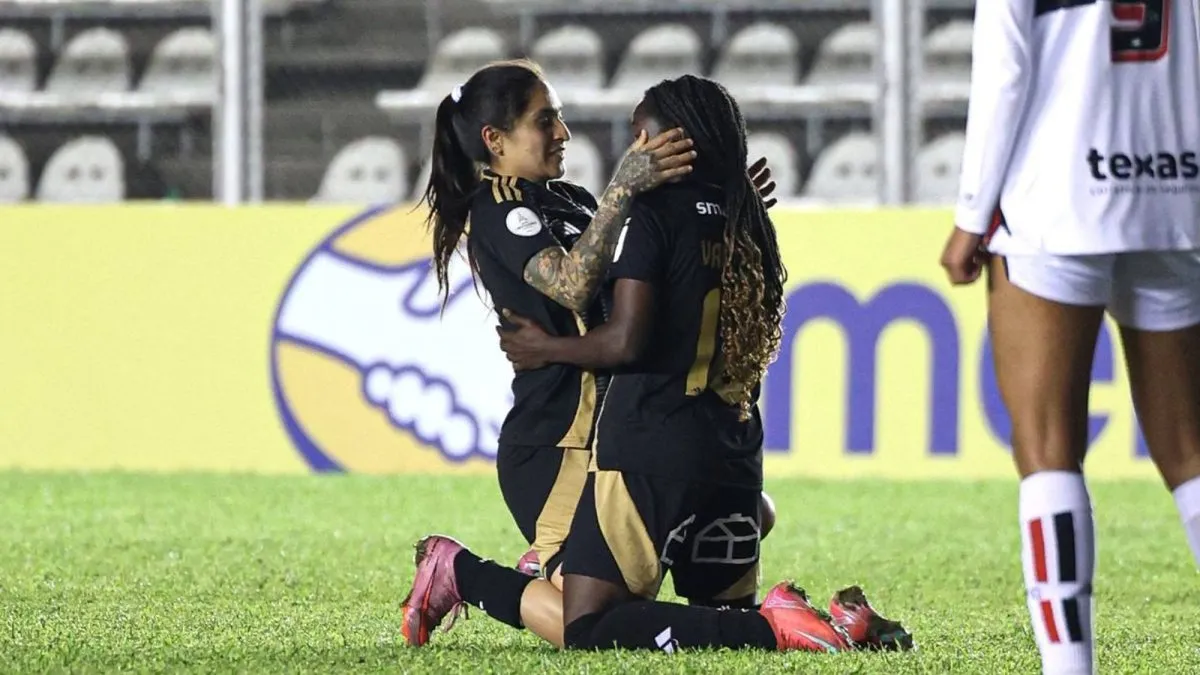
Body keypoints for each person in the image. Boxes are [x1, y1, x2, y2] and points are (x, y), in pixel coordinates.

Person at [493, 74, 910, 653]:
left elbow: (626, 343)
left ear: (674, 144)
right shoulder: (751, 219)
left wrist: (547, 349)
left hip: (650, 446)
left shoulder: (653, 216)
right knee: (714, 617)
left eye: (643, 137)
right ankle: (837, 622)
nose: (635, 150)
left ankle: (774, 622)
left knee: (587, 625)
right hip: (735, 455)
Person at [402, 58, 773, 649]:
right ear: (494, 141)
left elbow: (650, 268)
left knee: (754, 517)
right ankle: (457, 570)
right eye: (544, 120)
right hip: (557, 438)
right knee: (586, 624)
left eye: (560, 116)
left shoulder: (573, 199)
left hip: (620, 429)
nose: (562, 133)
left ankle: (548, 568)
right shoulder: (496, 206)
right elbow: (574, 284)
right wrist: (626, 187)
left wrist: (720, 198)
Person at [939, 2, 1200, 674]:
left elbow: (1004, 67)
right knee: (1191, 452)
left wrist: (972, 212)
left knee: (1048, 450)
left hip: (1056, 195)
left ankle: (1068, 666)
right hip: (1176, 189)